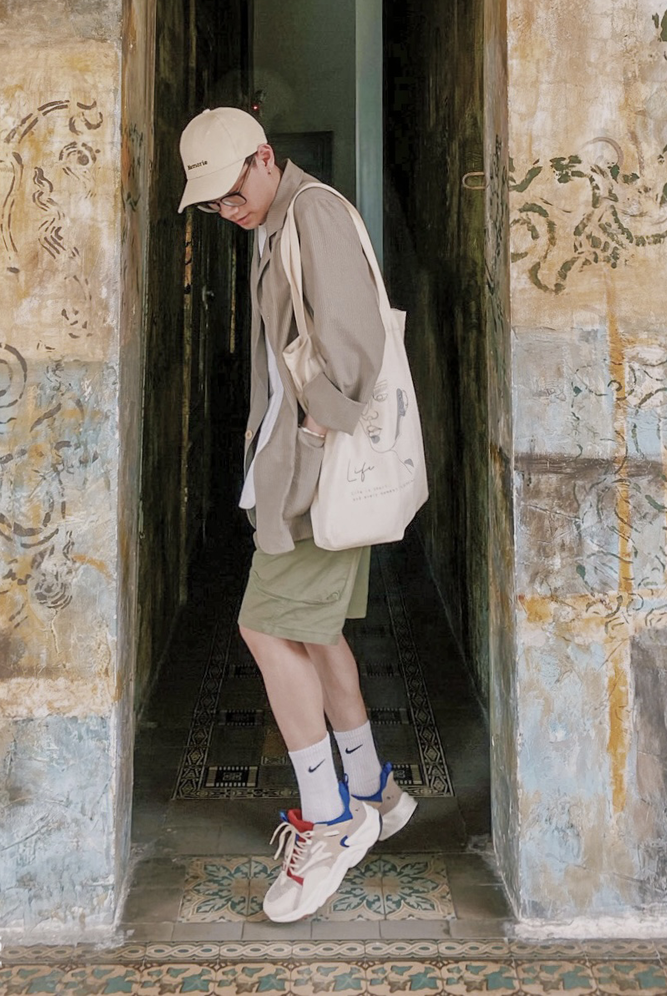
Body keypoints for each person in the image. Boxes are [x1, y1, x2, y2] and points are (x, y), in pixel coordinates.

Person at [178, 106, 417, 923]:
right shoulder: (275, 222)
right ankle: (375, 792)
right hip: (299, 470)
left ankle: (330, 816)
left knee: (262, 625)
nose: (224, 209)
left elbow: (353, 342)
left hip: (320, 474)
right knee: (313, 633)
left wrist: (319, 428)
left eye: (229, 189)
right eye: (209, 202)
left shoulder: (310, 212)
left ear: (265, 159)